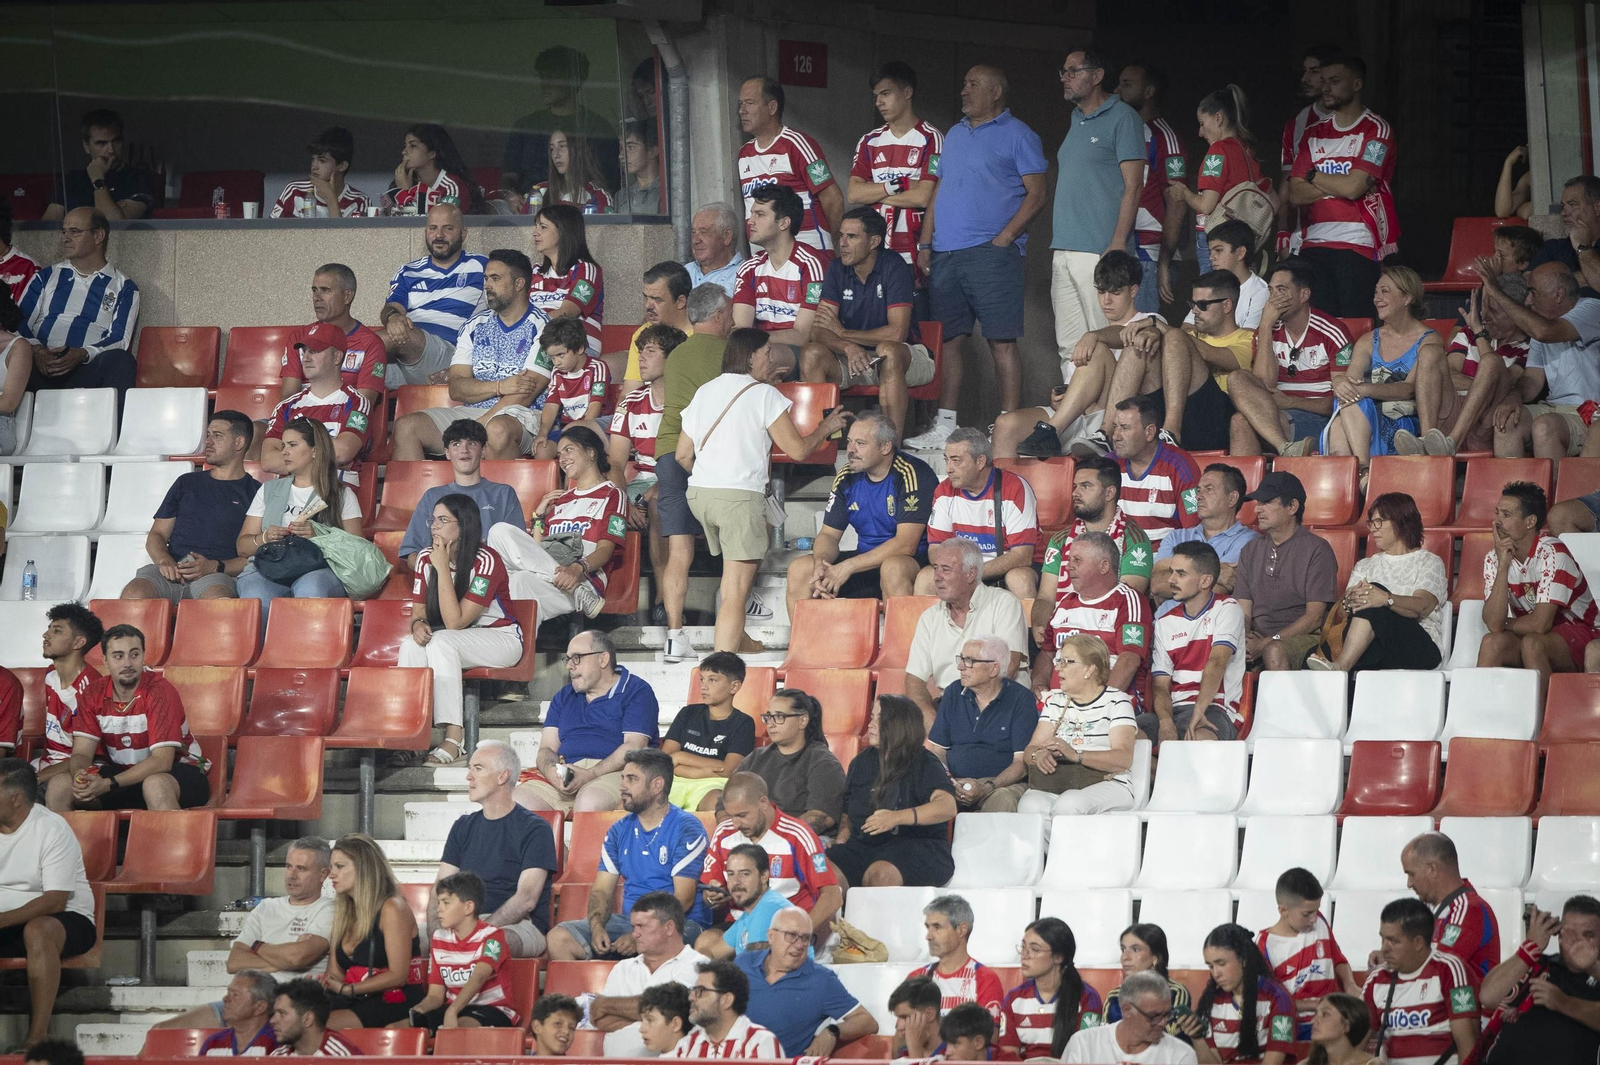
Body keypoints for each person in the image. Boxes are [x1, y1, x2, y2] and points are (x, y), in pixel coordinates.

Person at [676, 328, 847, 654]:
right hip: (738, 499)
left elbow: (683, 455)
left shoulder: (705, 391)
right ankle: (721, 662)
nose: (773, 358)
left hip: (700, 495)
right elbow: (797, 450)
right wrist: (826, 427)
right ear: (750, 356)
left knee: (736, 574)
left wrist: (713, 479)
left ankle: (739, 636)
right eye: (767, 352)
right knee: (735, 590)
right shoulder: (765, 395)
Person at [910, 65, 1048, 446]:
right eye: (964, 83)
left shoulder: (1019, 134)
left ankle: (1008, 425)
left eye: (973, 84)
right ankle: (945, 424)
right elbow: (938, 190)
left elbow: (1037, 194)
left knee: (1000, 342)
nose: (964, 91)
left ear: (996, 92)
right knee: (949, 341)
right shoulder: (954, 134)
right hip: (946, 253)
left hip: (992, 254)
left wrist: (1006, 237)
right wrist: (925, 243)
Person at [547, 750, 712, 961]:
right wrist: (597, 927)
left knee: (651, 943)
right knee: (559, 938)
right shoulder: (618, 830)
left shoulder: (687, 828)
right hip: (631, 922)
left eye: (632, 779)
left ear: (657, 785)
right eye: (623, 778)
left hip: (680, 923)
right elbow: (601, 890)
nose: (622, 786)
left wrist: (641, 935)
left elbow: (683, 899)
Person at [157, 839, 336, 1033]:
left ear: (323, 874)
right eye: (288, 866)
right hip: (248, 1000)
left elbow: (297, 957)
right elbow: (234, 962)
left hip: (292, 1004)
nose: (291, 875)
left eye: (301, 869)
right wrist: (284, 960)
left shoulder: (329, 909)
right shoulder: (266, 907)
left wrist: (257, 946)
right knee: (161, 1031)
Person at [390, 249, 552, 462]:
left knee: (497, 430)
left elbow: (525, 394)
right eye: (486, 278)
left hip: (523, 416)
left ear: (519, 284)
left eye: (495, 278)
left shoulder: (544, 327)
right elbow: (457, 387)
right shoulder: (474, 326)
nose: (487, 285)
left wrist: (478, 427)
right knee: (407, 426)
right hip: (472, 412)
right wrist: (499, 387)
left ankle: (497, 485)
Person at [996, 251, 1161, 460]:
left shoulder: (1150, 321)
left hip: (1114, 416)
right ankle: (1007, 483)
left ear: (1133, 291)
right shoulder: (1092, 334)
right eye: (1101, 292)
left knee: (1098, 350)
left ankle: (1052, 430)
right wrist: (1061, 399)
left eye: (1116, 292)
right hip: (1077, 418)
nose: (1107, 300)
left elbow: (1127, 335)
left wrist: (1094, 336)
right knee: (1005, 425)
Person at [800, 207, 936, 435]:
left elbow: (897, 334)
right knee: (811, 353)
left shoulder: (894, 267)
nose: (842, 243)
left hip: (906, 358)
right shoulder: (836, 269)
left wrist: (843, 334)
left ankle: (890, 444)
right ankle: (825, 443)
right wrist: (847, 346)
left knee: (888, 351)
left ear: (874, 241)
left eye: (852, 236)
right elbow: (819, 331)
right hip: (854, 359)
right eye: (841, 235)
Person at [786, 410, 934, 618]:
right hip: (864, 564)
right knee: (800, 569)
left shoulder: (911, 473)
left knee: (893, 568)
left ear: (885, 447)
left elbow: (906, 545)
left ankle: (901, 638)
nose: (850, 450)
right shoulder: (846, 476)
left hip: (909, 564)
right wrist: (821, 563)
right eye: (849, 442)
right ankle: (804, 639)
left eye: (860, 443)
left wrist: (847, 567)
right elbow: (828, 535)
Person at [48, 625, 209, 812]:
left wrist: (109, 783)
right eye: (118, 656)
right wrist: (81, 777)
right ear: (105, 660)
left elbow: (162, 761)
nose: (127, 663)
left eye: (134, 655)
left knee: (155, 785)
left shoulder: (160, 691)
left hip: (177, 773)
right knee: (60, 785)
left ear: (143, 656)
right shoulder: (93, 693)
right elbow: (82, 753)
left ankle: (172, 833)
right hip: (123, 776)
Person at [658, 285, 737, 660]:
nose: (734, 319)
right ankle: (741, 603)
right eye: (730, 313)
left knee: (679, 550)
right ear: (718, 315)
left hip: (668, 450)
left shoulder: (676, 354)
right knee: (738, 536)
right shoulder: (729, 353)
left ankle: (674, 636)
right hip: (711, 454)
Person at [1287, 54, 1399, 317]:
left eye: (1335, 81)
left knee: (1356, 326)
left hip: (1357, 244)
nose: (1325, 88)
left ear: (1357, 85)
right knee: (1321, 328)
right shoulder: (1313, 132)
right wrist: (1343, 181)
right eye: (1324, 81)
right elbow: (1295, 193)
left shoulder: (1376, 130)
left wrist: (1313, 175)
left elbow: (1354, 188)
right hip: (1313, 245)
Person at [0, 759, 97, 1047]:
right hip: (8, 920)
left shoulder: (52, 828)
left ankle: (37, 1038)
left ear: (16, 798)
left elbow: (55, 900)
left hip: (66, 920)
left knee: (38, 930)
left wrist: (1, 920)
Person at [234, 419, 366, 629]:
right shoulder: (268, 490)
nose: (284, 452)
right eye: (283, 445)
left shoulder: (342, 494)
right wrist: (265, 537)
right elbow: (242, 547)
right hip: (269, 569)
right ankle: (260, 650)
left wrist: (319, 535)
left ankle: (310, 649)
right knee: (256, 595)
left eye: (293, 445)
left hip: (318, 570)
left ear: (315, 450)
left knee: (311, 588)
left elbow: (358, 551)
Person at [1323, 266, 1453, 477]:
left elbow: (1408, 390)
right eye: (1376, 292)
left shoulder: (1429, 340)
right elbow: (1351, 383)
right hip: (1367, 421)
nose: (1377, 298)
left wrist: (1364, 389)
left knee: (1346, 415)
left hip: (1407, 426)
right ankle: (1362, 474)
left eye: (1385, 291)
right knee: (1345, 408)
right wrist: (1341, 383)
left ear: (1407, 298)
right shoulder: (1368, 340)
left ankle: (1357, 478)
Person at [121, 410, 262, 603]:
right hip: (172, 571)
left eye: (217, 435)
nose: (208, 442)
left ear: (239, 443)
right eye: (208, 435)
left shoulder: (257, 493)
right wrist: (164, 560)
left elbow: (253, 557)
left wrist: (215, 566)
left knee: (218, 601)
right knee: (134, 593)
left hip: (216, 576)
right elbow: (157, 535)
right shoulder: (186, 482)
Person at [432, 741, 555, 957]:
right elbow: (439, 888)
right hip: (462, 921)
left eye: (478, 769)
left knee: (494, 944)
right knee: (406, 937)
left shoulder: (536, 829)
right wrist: (437, 934)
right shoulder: (463, 826)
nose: (468, 777)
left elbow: (526, 899)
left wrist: (478, 933)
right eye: (470, 768)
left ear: (502, 776)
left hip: (517, 924)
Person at [492, 427, 626, 622]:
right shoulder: (561, 500)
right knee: (509, 559)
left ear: (591, 452)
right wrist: (539, 517)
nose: (562, 459)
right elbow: (536, 551)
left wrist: (577, 568)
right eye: (559, 454)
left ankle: (579, 591)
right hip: (553, 582)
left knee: (510, 581)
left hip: (583, 578)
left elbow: (606, 550)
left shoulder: (612, 495)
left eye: (568, 450)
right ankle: (576, 594)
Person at [1113, 271, 1256, 452]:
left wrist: (1157, 325)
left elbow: (1209, 353)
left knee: (1175, 337)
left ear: (1227, 305)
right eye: (1192, 304)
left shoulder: (1248, 339)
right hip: (1180, 415)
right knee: (1140, 346)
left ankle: (1172, 431)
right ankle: (1110, 432)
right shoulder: (1189, 337)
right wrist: (1152, 332)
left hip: (1217, 424)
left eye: (1202, 305)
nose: (1194, 310)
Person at [515, 629, 657, 812]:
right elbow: (547, 748)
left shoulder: (637, 691)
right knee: (516, 804)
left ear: (603, 659)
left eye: (577, 658)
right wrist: (551, 772)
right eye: (568, 659)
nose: (569, 666)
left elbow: (634, 747)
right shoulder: (564, 695)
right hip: (566, 772)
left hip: (617, 772)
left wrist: (590, 774)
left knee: (589, 802)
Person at [826, 694, 957, 889]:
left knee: (880, 874)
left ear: (899, 724)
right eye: (872, 717)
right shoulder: (860, 763)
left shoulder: (925, 762)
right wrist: (843, 834)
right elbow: (848, 810)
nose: (870, 725)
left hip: (918, 846)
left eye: (879, 719)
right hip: (864, 845)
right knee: (821, 870)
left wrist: (895, 818)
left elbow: (947, 807)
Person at [1479, 480, 1600, 691]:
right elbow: (1493, 624)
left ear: (1530, 521)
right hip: (1537, 636)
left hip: (1583, 633)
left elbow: (1540, 624)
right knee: (1492, 642)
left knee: (1532, 643)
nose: (1497, 521)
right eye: (1497, 513)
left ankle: (1544, 711)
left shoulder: (1553, 552)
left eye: (1506, 515)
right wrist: (1503, 567)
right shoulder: (1494, 558)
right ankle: (1477, 708)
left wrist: (1506, 623)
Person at [1305, 493, 1446, 672]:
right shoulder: (1365, 565)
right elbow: (1343, 613)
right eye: (1371, 523)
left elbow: (1422, 606)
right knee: (1308, 657)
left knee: (1374, 598)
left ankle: (1341, 666)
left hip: (1417, 646)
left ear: (1402, 521)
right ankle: (1338, 671)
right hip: (1374, 644)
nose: (1372, 528)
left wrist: (1385, 599)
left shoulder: (1429, 562)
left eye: (1379, 521)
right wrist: (1349, 602)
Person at [1227, 259, 1351, 458]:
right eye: (1271, 291)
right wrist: (1265, 326)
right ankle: (1284, 448)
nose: (1273, 299)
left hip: (1319, 420)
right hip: (1275, 416)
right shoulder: (1265, 331)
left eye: (1281, 290)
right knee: (1236, 379)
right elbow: (1264, 384)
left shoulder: (1332, 332)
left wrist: (1291, 402)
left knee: (1241, 421)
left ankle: (1282, 450)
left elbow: (1343, 402)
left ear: (1304, 295)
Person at [1477, 261, 1600, 460]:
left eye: (1533, 293)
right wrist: (1514, 396)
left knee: (1545, 427)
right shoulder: (1540, 324)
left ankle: (1559, 482)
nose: (1528, 301)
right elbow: (1532, 379)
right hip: (1555, 408)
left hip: (1591, 409)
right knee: (1506, 420)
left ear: (1559, 295)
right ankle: (1514, 481)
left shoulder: (1593, 309)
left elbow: (1545, 332)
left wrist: (1496, 292)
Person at [1397, 276, 1531, 457]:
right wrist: (1482, 385)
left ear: (1515, 312)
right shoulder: (1468, 333)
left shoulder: (1526, 348)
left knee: (1492, 362)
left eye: (1493, 310)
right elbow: (1450, 374)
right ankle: (1427, 440)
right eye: (1484, 307)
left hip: (1483, 425)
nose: (1485, 315)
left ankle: (1453, 442)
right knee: (1430, 351)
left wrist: (1479, 334)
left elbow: (1507, 383)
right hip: (1450, 414)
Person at [15, 207, 138, 403]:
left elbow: (119, 339)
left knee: (122, 360)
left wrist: (81, 354)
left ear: (98, 236)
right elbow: (18, 322)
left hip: (85, 368)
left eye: (74, 231)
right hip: (40, 365)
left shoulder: (124, 287)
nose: (65, 238)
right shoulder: (46, 277)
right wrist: (37, 351)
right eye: (64, 231)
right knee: (14, 355)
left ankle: (115, 423)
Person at [905, 538, 1028, 726]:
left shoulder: (1004, 604)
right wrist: (927, 713)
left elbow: (1008, 667)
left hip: (999, 705)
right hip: (949, 707)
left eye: (946, 569)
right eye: (935, 568)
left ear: (970, 574)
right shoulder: (929, 618)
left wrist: (967, 712)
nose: (936, 577)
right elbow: (914, 679)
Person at [848, 62, 943, 294]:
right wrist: (901, 184)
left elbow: (924, 197)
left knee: (912, 313)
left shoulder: (932, 138)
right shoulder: (869, 141)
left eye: (886, 94)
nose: (879, 102)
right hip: (873, 249)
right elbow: (853, 194)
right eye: (876, 96)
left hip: (913, 252)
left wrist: (874, 194)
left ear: (907, 93)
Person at [1020, 635, 1138, 817]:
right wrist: (1039, 755)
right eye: (1058, 661)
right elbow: (1030, 750)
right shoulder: (1056, 702)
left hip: (1110, 782)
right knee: (1029, 805)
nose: (1057, 668)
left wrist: (1076, 755)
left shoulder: (1117, 701)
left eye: (1066, 662)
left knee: (1070, 804)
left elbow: (1123, 759)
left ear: (1089, 669)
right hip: (1062, 781)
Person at [735, 906, 878, 1055]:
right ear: (771, 936)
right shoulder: (743, 963)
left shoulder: (821, 980)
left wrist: (832, 1031)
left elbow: (867, 1021)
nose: (799, 945)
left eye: (805, 938)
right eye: (791, 935)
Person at [1232, 472, 1338, 671]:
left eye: (1266, 502)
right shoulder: (1250, 550)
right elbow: (1243, 612)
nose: (1257, 509)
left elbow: (1314, 618)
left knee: (1273, 650)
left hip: (1303, 638)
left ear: (1292, 507)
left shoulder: (1317, 549)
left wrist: (1267, 642)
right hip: (1258, 637)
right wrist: (1243, 641)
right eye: (1258, 503)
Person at [1476, 895, 1600, 1063]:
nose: (1577, 943)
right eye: (1570, 934)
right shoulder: (1538, 964)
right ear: (1559, 935)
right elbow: (1487, 997)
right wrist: (1530, 947)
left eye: (1588, 935)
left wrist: (1563, 1002)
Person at [919, 427, 1040, 599]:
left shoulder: (1014, 488)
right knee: (925, 578)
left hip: (1009, 568)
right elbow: (936, 549)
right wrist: (956, 572)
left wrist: (971, 574)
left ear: (980, 461)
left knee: (1019, 578)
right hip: (963, 571)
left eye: (956, 461)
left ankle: (1029, 619)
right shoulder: (944, 490)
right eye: (946, 460)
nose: (948, 469)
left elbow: (1022, 556)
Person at [321, 833, 425, 1028]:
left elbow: (398, 976)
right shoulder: (343, 912)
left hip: (394, 998)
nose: (331, 874)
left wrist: (350, 990)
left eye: (340, 866)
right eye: (332, 866)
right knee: (294, 1016)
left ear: (364, 869)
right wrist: (323, 984)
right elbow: (335, 974)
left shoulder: (393, 908)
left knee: (317, 1025)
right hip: (355, 997)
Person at [379, 204, 488, 389]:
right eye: (433, 228)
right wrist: (394, 317)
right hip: (404, 357)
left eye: (448, 228)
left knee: (369, 346)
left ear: (463, 233)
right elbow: (392, 307)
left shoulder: (483, 267)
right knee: (349, 358)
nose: (439, 235)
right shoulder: (408, 271)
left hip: (450, 355)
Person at [1148, 541, 1247, 744]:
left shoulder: (1227, 608)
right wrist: (1165, 722)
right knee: (1128, 738)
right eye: (1171, 572)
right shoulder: (1164, 621)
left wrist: (1199, 710)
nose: (1171, 580)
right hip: (1174, 712)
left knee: (1196, 744)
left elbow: (1217, 662)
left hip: (1216, 709)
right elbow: (1160, 685)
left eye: (1181, 574)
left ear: (1205, 581)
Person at [587, 893, 708, 1056]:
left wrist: (606, 1004)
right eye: (634, 927)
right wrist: (656, 1017)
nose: (634, 934)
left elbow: (674, 1010)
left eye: (642, 926)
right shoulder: (622, 968)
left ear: (669, 928)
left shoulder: (700, 966)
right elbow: (600, 1018)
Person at [1360, 899, 1478, 1065]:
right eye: (1383, 938)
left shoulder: (1450, 970)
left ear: (1418, 943)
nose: (1384, 948)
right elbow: (1356, 1045)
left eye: (1393, 941)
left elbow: (1467, 1043)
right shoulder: (1376, 980)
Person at [735, 76, 844, 254]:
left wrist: (828, 243)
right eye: (741, 104)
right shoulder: (744, 154)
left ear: (772, 107)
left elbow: (833, 199)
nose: (742, 111)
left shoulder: (797, 145)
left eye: (750, 103)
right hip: (765, 260)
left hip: (808, 255)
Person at [610, 324, 679, 604]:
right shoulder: (630, 403)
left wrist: (661, 485)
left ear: (672, 358)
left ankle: (663, 598)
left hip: (680, 479)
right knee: (597, 505)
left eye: (650, 351)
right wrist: (622, 504)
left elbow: (694, 457)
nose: (640, 358)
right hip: (639, 483)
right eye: (640, 351)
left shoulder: (689, 400)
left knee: (658, 500)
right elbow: (615, 463)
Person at [1035, 533, 1149, 703]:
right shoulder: (1065, 602)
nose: (1068, 567)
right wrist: (1038, 683)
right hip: (1057, 705)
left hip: (1108, 707)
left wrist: (1097, 704)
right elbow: (1047, 653)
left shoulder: (1127, 600)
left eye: (1077, 560)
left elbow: (1129, 661)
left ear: (1104, 566)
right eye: (1069, 560)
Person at [928, 636, 1037, 813]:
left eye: (969, 661)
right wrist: (949, 781)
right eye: (961, 659)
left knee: (1003, 799)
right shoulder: (953, 692)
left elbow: (1021, 763)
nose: (960, 666)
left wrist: (987, 787)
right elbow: (937, 750)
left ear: (994, 668)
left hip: (999, 785)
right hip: (956, 783)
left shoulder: (1020, 699)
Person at [396, 420, 524, 570]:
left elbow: (518, 549)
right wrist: (439, 570)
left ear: (483, 450)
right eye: (456, 444)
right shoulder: (432, 496)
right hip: (445, 575)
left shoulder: (503, 494)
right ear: (447, 453)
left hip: (491, 574)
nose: (464, 450)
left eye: (472, 443)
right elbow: (412, 553)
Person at [1169, 86, 1270, 273]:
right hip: (1242, 242)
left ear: (1218, 118)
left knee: (1213, 290)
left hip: (1217, 239)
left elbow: (1206, 206)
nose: (1200, 132)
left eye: (1202, 123)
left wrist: (1184, 192)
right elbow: (1274, 200)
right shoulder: (1247, 150)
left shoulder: (1218, 150)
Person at [256, 325, 374, 484]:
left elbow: (343, 452)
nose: (306, 358)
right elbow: (268, 460)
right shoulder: (286, 406)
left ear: (337, 357)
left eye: (315, 351)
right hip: (289, 491)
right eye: (304, 351)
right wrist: (327, 457)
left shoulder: (357, 402)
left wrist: (293, 455)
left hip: (333, 489)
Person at [1037, 455, 1155, 609]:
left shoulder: (1134, 540)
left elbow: (1125, 600)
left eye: (1085, 486)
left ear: (1109, 493)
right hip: (1064, 622)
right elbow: (1046, 598)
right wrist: (1045, 623)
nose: (1075, 493)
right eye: (1075, 486)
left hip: (1109, 620)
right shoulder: (1060, 540)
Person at [500, 45, 620, 196]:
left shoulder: (597, 128)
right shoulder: (525, 126)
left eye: (553, 77)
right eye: (543, 77)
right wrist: (511, 195)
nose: (545, 84)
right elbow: (508, 177)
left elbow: (608, 183)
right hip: (530, 206)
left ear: (574, 81)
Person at [1115, 62, 1187, 314]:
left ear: (1149, 92)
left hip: (1150, 254)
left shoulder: (1163, 136)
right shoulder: (1127, 131)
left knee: (1142, 332)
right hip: (1124, 250)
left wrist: (1163, 263)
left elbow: (1178, 202)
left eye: (1126, 84)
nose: (1117, 90)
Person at [1254, 868, 1357, 1040]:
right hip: (1294, 1025)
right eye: (1307, 914)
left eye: (1317, 910)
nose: (1314, 918)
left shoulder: (1320, 921)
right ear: (1283, 911)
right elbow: (1268, 1002)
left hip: (1334, 1021)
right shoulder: (1265, 945)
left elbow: (1338, 960)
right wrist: (1313, 1005)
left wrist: (1350, 984)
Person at [409, 872, 518, 1031]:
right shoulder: (438, 938)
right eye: (438, 903)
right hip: (454, 1009)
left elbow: (479, 977)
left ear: (468, 907)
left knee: (457, 1028)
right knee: (401, 1026)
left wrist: (453, 1010)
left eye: (446, 903)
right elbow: (435, 995)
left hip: (494, 1009)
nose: (438, 909)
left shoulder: (494, 937)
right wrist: (418, 1011)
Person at [1183, 924, 1296, 1065]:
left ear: (1243, 959)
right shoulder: (1211, 1002)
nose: (1215, 973)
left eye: (1221, 964)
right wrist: (1197, 1037)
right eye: (1210, 966)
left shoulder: (1278, 998)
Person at [738, 690, 847, 836]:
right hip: (753, 835)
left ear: (802, 721)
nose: (771, 724)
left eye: (779, 716)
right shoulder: (756, 757)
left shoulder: (823, 762)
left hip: (803, 839)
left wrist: (772, 836)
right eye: (768, 717)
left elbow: (820, 816)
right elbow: (727, 801)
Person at [1151, 464, 1259, 609]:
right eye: (1199, 490)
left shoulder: (1248, 541)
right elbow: (1157, 584)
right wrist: (1217, 572)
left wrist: (1176, 576)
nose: (1198, 496)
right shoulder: (1176, 536)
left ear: (1232, 498)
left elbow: (1218, 590)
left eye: (1209, 489)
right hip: (1164, 622)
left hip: (1209, 622)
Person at [732, 185, 827, 350]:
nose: (750, 221)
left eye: (760, 214)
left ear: (784, 223)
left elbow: (802, 335)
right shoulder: (749, 268)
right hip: (757, 347)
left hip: (799, 351)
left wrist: (752, 340)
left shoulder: (811, 264)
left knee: (762, 357)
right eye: (752, 214)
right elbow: (740, 328)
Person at [279, 264, 387, 407]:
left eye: (325, 290)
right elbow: (288, 397)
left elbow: (362, 406)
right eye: (314, 290)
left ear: (347, 297)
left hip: (342, 418)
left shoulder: (371, 344)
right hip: (299, 416)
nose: (316, 297)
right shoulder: (298, 338)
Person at [1400, 831, 1501, 984]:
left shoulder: (1468, 910)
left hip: (1464, 999)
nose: (1409, 884)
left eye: (1411, 874)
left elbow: (1439, 970)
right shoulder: (1441, 909)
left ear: (1432, 869)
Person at [996, 917, 1102, 1060]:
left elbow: (1087, 1055)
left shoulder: (1087, 997)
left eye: (1034, 949)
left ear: (1058, 957)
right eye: (1023, 947)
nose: (1024, 955)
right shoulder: (1014, 999)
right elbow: (1008, 1056)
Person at [663, 652, 757, 812]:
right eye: (702, 679)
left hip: (711, 784)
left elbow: (728, 769)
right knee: (628, 803)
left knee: (716, 802)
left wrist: (679, 758)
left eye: (712, 680)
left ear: (734, 686)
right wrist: (698, 771)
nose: (704, 686)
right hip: (675, 780)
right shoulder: (687, 713)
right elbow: (664, 762)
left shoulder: (743, 723)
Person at [1104, 396, 1202, 543]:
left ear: (1149, 432)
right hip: (1114, 555)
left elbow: (1193, 530)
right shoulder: (1108, 465)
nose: (1116, 436)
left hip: (1164, 556)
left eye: (1125, 428)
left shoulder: (1181, 466)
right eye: (1115, 427)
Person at [32, 605, 102, 799]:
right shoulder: (50, 675)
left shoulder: (92, 688)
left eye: (57, 631)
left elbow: (86, 757)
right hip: (46, 765)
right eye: (49, 629)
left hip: (74, 773)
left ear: (78, 642)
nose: (46, 635)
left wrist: (36, 778)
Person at [1274, 45, 1337, 259]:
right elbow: (1287, 183)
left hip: (1349, 237)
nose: (1305, 78)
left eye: (1314, 71)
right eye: (1304, 71)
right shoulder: (1298, 123)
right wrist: (1283, 232)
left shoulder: (1364, 124)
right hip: (1304, 238)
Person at [44, 109, 157, 221]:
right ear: (87, 146)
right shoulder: (71, 181)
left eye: (116, 141)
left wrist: (98, 180)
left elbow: (115, 226)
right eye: (101, 143)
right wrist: (113, 208)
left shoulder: (139, 178)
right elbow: (48, 226)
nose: (111, 150)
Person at [1065, 970, 1196, 1064]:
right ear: (1127, 1009)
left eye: (1167, 1014)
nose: (1163, 1023)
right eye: (1154, 1016)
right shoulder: (1084, 1044)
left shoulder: (1180, 1055)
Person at [530, 203, 604, 356]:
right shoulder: (535, 271)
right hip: (535, 341)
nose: (535, 232)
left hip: (575, 347)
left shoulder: (586, 270)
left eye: (543, 227)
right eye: (536, 226)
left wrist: (527, 328)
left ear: (564, 231)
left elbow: (568, 312)